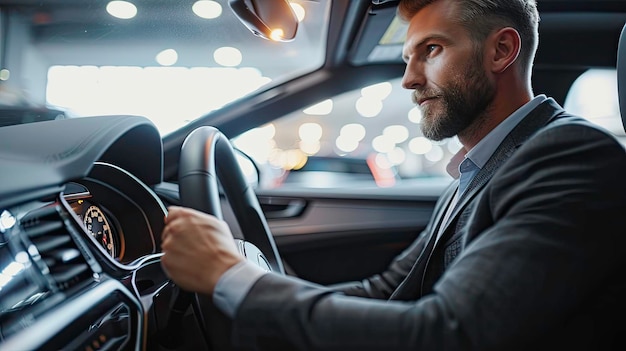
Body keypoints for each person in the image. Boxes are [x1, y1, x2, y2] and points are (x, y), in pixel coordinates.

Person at [160, 0, 626, 349]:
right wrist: (256, 291)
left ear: (502, 50)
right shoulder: (484, 163)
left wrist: (229, 276)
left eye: (431, 50)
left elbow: (448, 335)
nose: (409, 79)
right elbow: (388, 292)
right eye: (407, 58)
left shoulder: (571, 154)